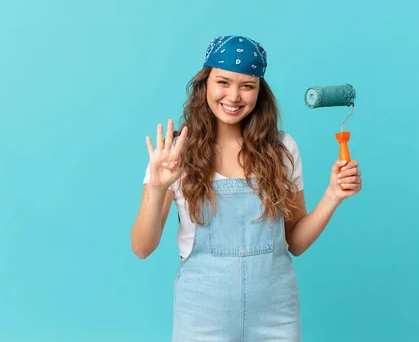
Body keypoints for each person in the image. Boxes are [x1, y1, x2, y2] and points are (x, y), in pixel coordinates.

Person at [130, 35, 363, 341]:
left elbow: (295, 242)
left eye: (247, 86)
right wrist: (158, 187)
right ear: (205, 84)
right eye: (223, 82)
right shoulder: (174, 154)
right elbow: (142, 247)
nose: (234, 96)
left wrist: (332, 195)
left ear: (259, 91)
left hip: (276, 313)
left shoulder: (282, 149)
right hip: (201, 314)